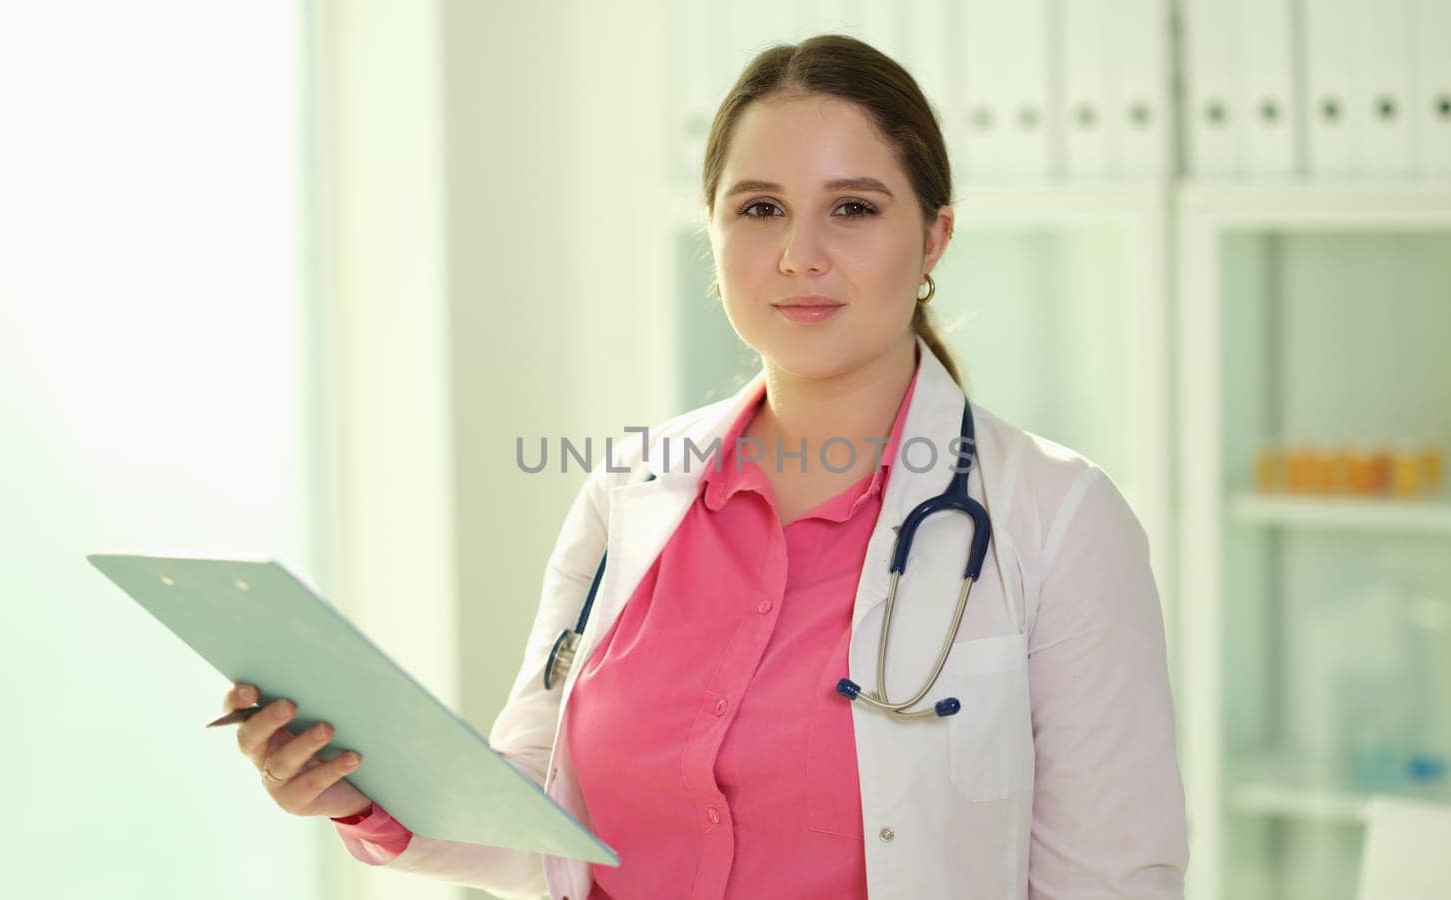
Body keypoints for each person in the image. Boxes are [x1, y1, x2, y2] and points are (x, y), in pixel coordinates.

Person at [219, 33, 1188, 900]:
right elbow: (537, 818)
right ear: (713, 234)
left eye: (851, 208)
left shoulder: (1056, 520)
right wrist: (362, 791)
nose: (797, 255)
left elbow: (1111, 881)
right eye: (759, 208)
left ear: (933, 235)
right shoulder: (629, 491)